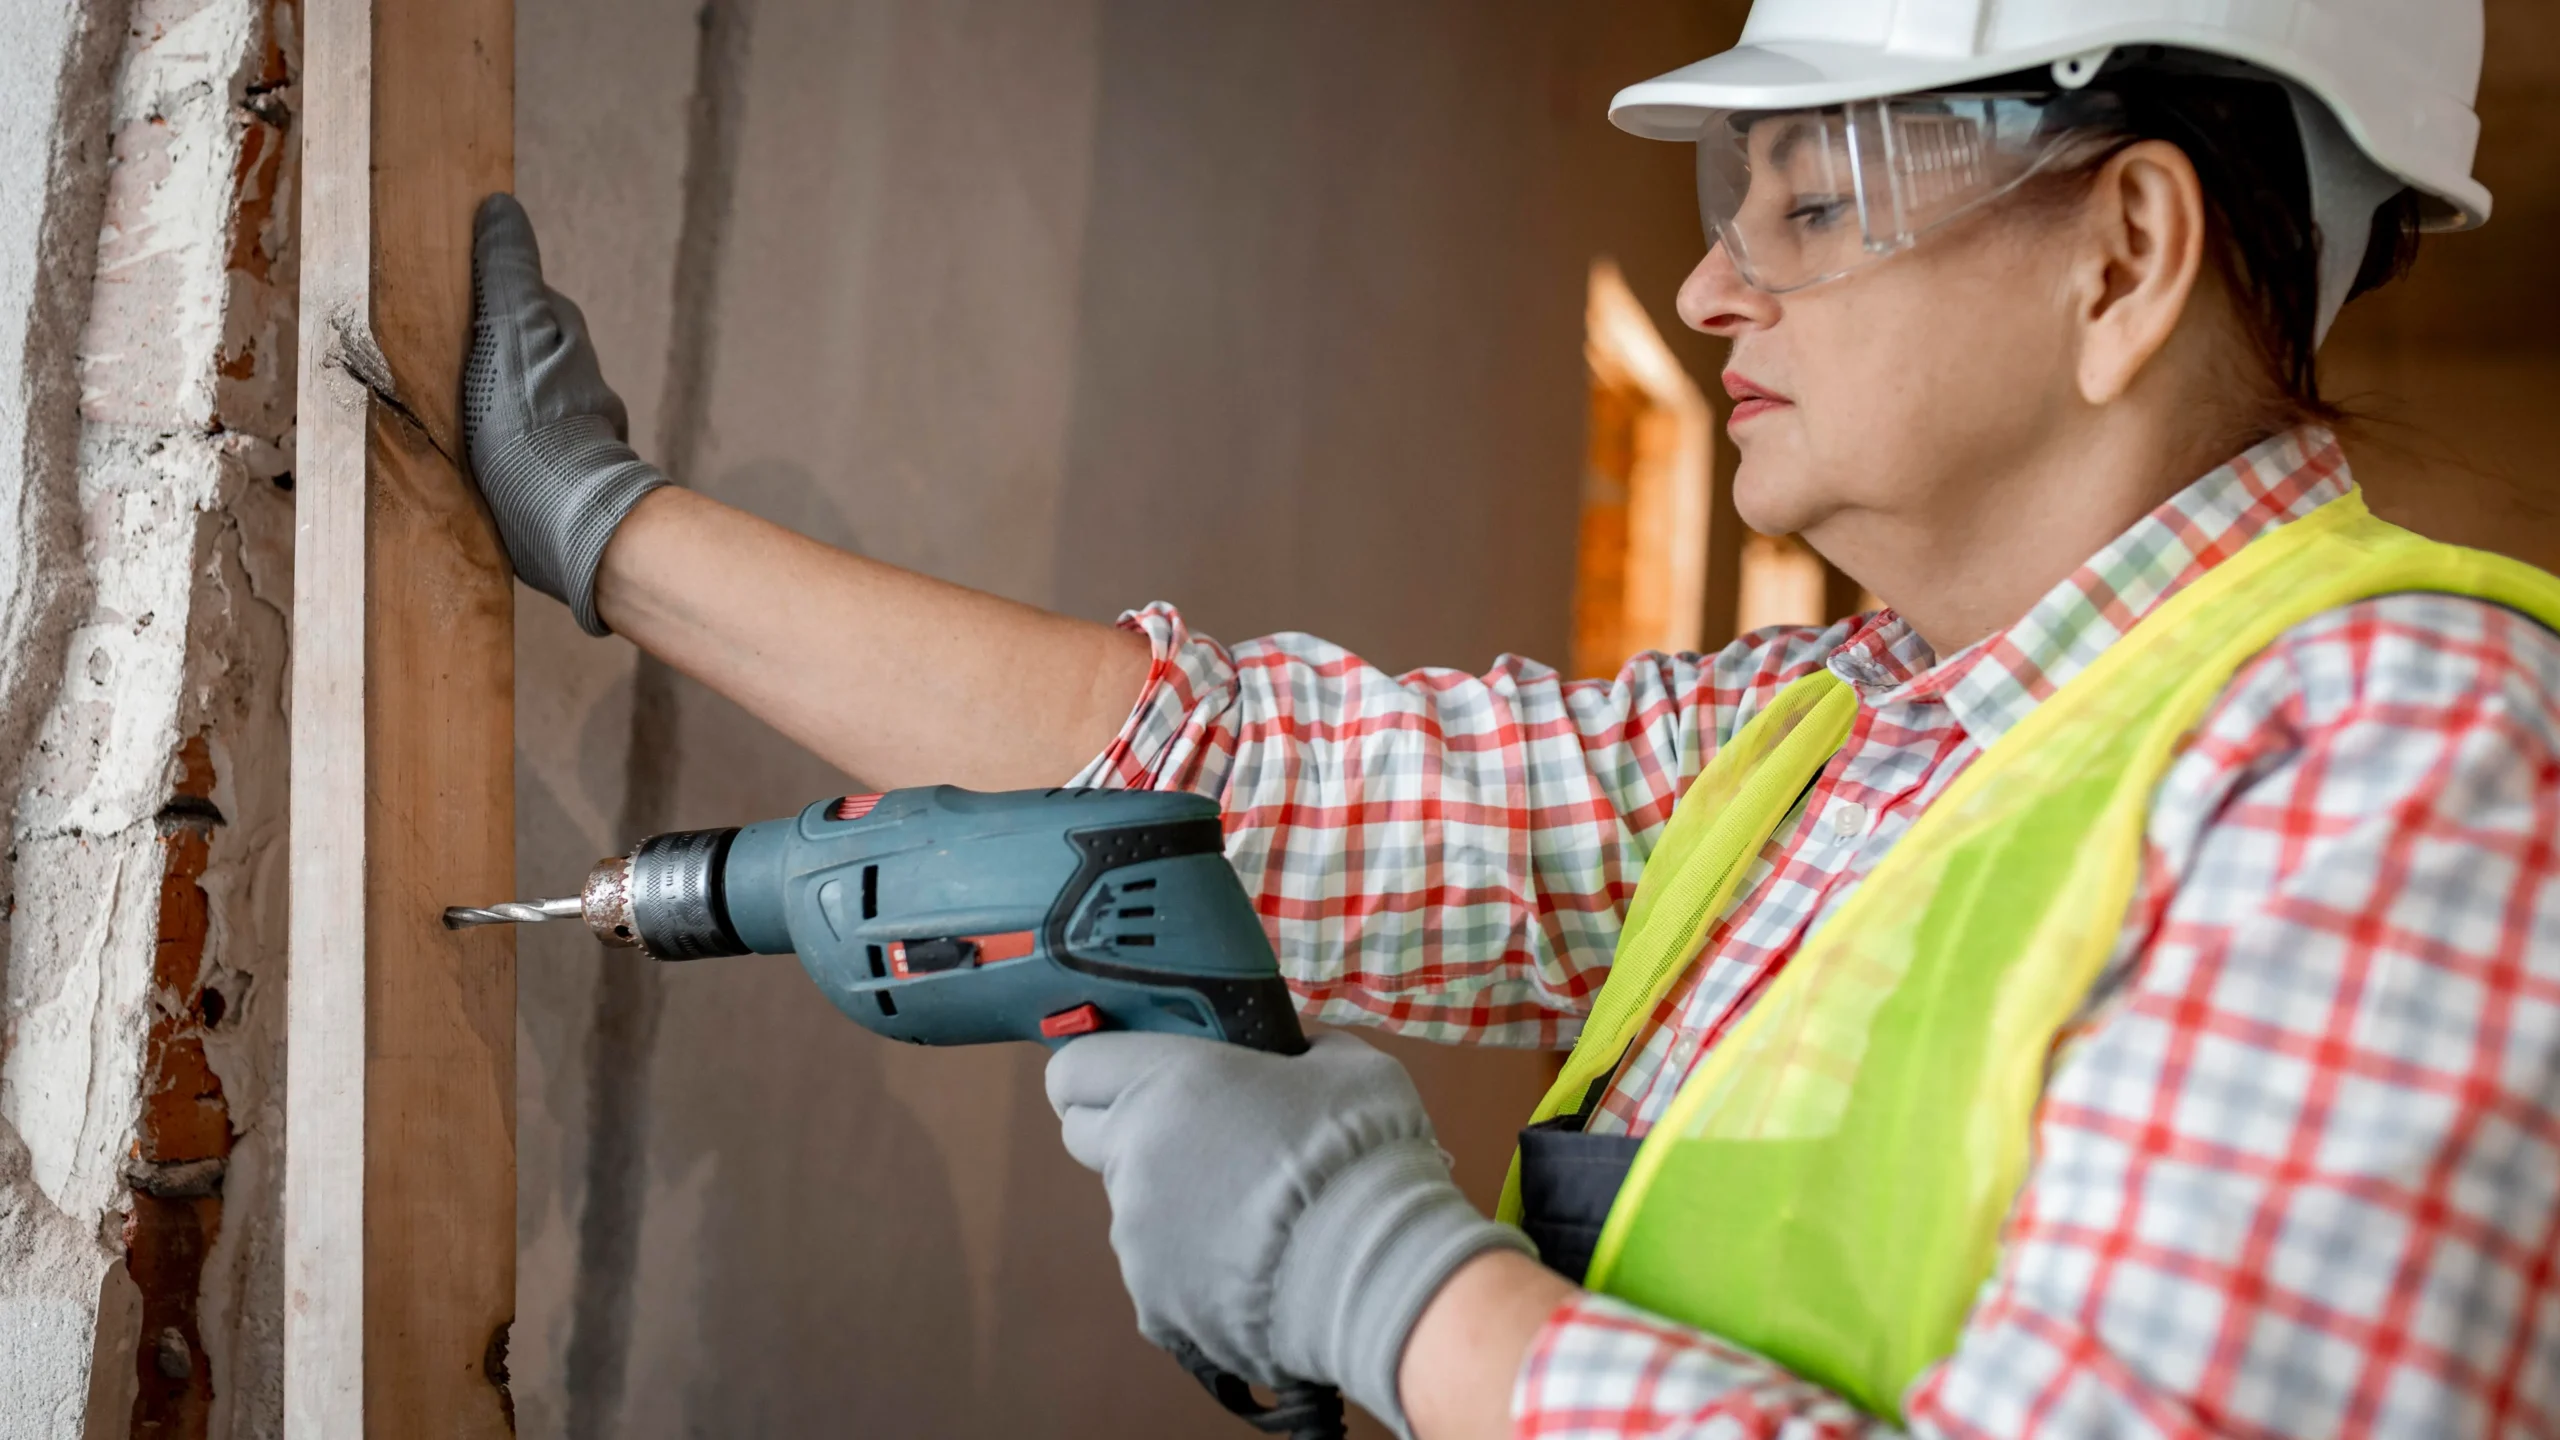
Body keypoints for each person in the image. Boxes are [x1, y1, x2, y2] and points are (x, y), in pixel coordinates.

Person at [462, 0, 2560, 1434]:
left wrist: (1394, 1295)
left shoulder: (2408, 763)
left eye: (1810, 204)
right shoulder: (1835, 726)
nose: (1716, 290)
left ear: (2120, 257)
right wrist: (617, 539)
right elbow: (1244, 779)